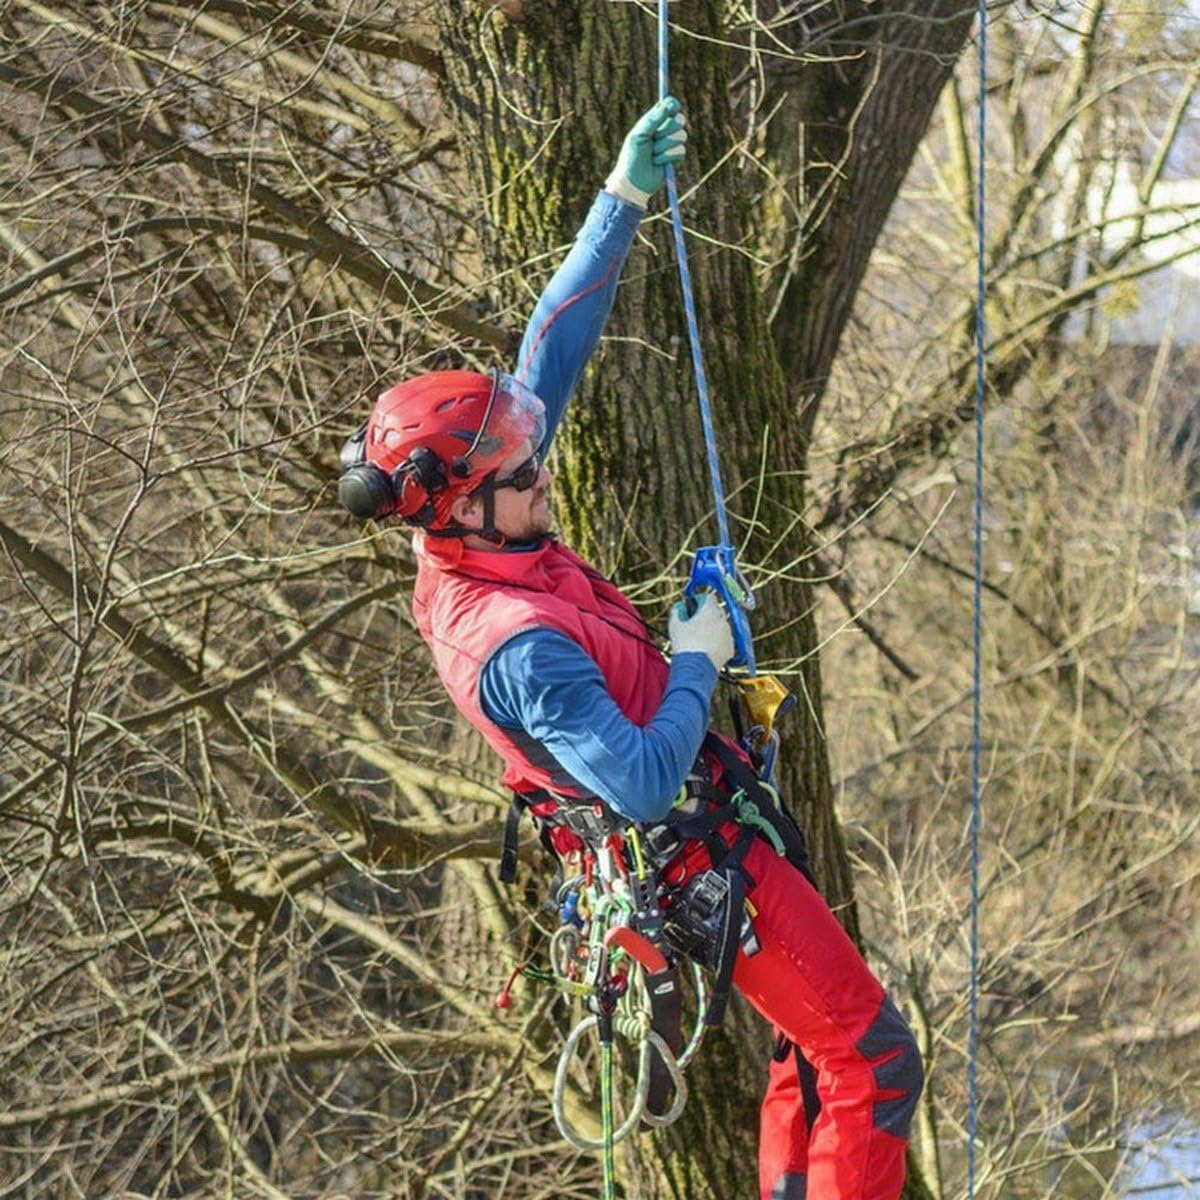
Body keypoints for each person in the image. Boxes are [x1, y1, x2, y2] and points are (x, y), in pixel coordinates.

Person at [339, 98, 923, 1200]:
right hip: (692, 858)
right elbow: (646, 782)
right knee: (875, 1062)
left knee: (816, 1056)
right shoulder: (511, 645)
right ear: (463, 505)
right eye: (522, 473)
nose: (543, 471)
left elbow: (550, 352)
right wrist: (697, 654)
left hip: (716, 834)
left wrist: (622, 195)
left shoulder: (481, 530)